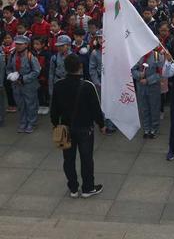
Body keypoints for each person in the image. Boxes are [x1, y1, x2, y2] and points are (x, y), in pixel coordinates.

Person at [50, 53, 106, 198]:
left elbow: (54, 109)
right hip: (85, 128)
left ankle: (73, 188)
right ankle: (88, 187)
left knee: (68, 159)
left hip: (65, 128)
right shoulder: (88, 86)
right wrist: (101, 124)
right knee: (86, 158)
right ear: (80, 67)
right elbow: (96, 109)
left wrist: (56, 124)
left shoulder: (58, 85)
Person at [6, 36, 41, 133]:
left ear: (26, 45)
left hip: (28, 85)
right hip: (16, 85)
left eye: (20, 44)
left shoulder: (30, 56)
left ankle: (31, 122)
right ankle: (23, 121)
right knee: (20, 104)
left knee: (30, 104)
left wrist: (23, 78)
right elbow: (8, 68)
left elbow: (36, 71)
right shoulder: (13, 55)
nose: (18, 46)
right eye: (16, 43)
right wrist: (10, 75)